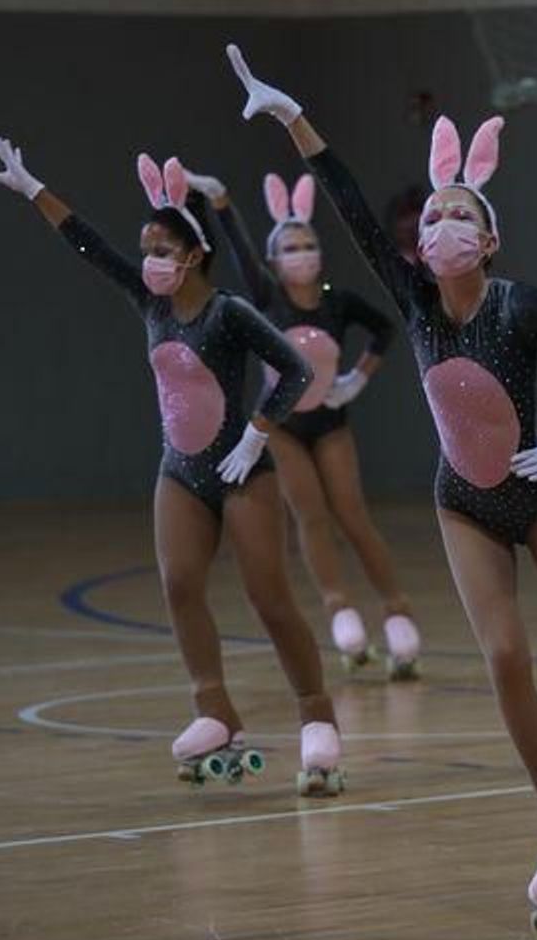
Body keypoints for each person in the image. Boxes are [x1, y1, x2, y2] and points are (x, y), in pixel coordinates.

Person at [226, 43, 537, 939]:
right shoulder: (409, 299)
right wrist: (296, 119)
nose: (438, 227)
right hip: (465, 503)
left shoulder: (518, 305)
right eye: (431, 216)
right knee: (506, 661)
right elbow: (352, 206)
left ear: (488, 239)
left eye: (458, 214)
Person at [0, 139, 346, 796]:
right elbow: (89, 245)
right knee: (180, 585)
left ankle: (317, 716)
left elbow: (293, 371)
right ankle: (215, 712)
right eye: (146, 249)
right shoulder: (150, 303)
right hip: (179, 470)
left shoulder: (227, 312)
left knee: (269, 597)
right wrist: (35, 189)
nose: (150, 260)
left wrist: (258, 435)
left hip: (241, 472)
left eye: (162, 250)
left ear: (196, 253)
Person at [180, 164, 425, 679]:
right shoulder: (267, 298)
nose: (301, 255)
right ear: (275, 259)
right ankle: (340, 608)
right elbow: (241, 250)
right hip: (285, 428)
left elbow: (384, 330)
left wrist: (358, 378)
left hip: (331, 423)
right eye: (289, 248)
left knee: (353, 515)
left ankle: (398, 610)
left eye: (307, 244)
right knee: (311, 517)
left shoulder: (339, 302)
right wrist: (221, 201)